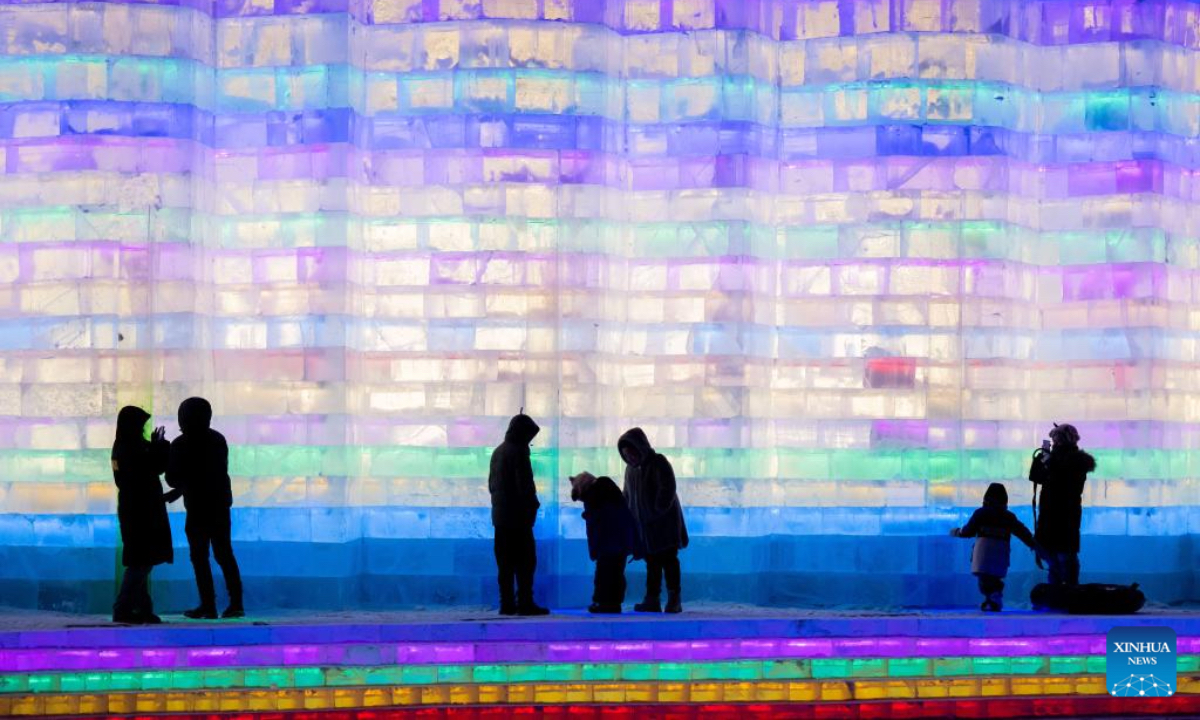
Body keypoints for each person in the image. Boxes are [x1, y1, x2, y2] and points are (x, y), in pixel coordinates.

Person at [166, 397, 244, 619]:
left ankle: (208, 605)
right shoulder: (217, 439)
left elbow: (172, 478)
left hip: (197, 507)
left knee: (199, 557)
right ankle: (236, 603)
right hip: (219, 505)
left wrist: (180, 486)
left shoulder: (180, 444)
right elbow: (214, 473)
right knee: (224, 554)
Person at [111, 406, 177, 624]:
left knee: (141, 560)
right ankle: (123, 608)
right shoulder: (131, 447)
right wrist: (159, 446)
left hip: (136, 509)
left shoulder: (124, 446)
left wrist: (156, 446)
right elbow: (153, 467)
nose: (143, 428)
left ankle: (141, 608)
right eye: (140, 424)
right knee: (141, 562)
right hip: (142, 511)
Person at [618, 428, 688, 613]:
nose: (630, 458)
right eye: (626, 455)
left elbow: (668, 489)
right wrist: (628, 516)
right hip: (646, 528)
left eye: (632, 453)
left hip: (665, 525)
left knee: (669, 561)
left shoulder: (658, 462)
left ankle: (674, 599)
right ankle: (652, 599)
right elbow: (627, 494)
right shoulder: (630, 470)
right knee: (652, 563)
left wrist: (655, 511)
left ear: (640, 447)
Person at [488, 412, 549, 616]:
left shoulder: (498, 451)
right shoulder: (518, 451)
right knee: (525, 562)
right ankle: (525, 603)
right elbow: (524, 485)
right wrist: (533, 505)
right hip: (518, 518)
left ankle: (506, 604)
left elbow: (491, 485)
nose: (530, 440)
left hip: (500, 518)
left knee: (505, 564)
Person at [950, 483, 1041, 612]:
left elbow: (968, 531)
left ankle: (993, 598)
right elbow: (1022, 532)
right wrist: (1034, 545)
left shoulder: (981, 513)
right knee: (994, 578)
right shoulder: (1008, 516)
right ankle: (993, 599)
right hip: (1001, 552)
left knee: (984, 579)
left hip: (983, 552)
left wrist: (956, 532)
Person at [1029, 423, 1095, 585]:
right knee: (1055, 556)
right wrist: (1042, 460)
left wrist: (1047, 460)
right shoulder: (1057, 459)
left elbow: (1061, 479)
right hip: (1054, 514)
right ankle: (1061, 590)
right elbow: (1036, 477)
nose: (1054, 443)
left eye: (1056, 439)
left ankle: (1068, 589)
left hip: (1064, 515)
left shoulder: (1075, 461)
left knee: (1064, 556)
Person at [570, 472, 638, 614]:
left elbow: (596, 528)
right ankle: (613, 603)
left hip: (607, 544)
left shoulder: (595, 498)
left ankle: (603, 603)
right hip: (621, 542)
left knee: (604, 573)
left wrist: (594, 549)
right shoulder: (609, 492)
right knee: (616, 573)